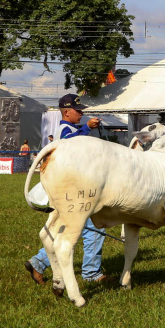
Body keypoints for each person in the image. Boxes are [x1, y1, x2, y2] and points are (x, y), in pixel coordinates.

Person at [25, 94, 105, 285]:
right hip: (72, 189)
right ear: (66, 112)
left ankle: (39, 262)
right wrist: (87, 128)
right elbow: (70, 144)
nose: (81, 114)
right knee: (93, 228)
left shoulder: (69, 128)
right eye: (78, 111)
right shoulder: (64, 130)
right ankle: (92, 273)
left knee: (72, 228)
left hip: (72, 188)